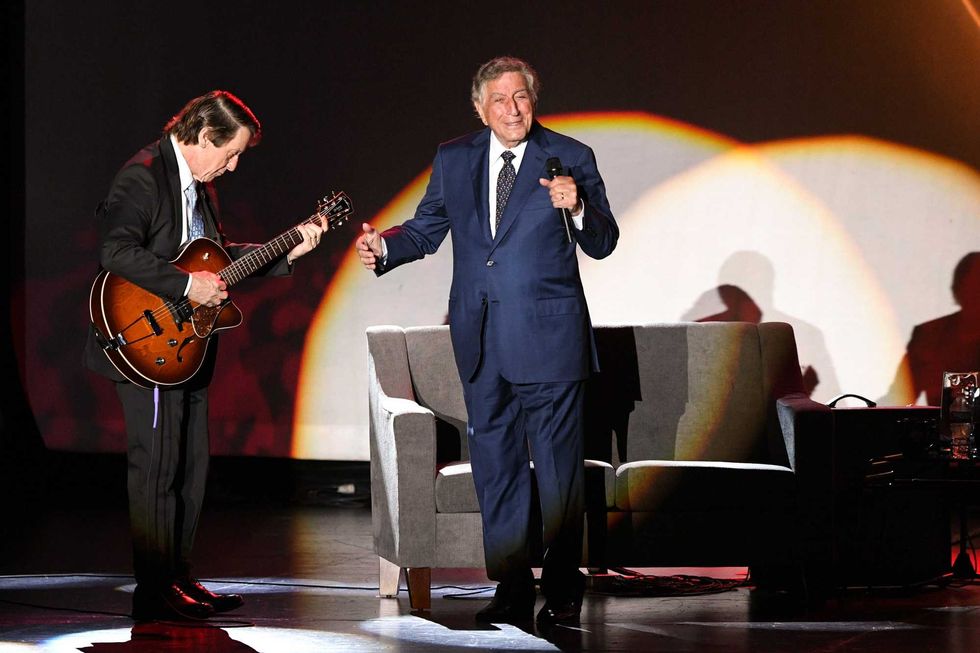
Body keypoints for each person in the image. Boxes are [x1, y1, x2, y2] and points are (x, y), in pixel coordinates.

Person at [356, 56, 618, 626]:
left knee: (559, 472)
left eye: (521, 97)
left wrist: (578, 207)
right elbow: (427, 228)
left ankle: (564, 585)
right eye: (499, 99)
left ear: (534, 100)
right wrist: (386, 248)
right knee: (497, 467)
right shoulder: (455, 157)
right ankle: (512, 584)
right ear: (480, 108)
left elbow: (603, 241)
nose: (512, 109)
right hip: (479, 338)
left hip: (549, 340)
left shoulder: (569, 156)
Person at [83, 90, 326, 621]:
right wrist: (185, 286)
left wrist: (286, 249)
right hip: (144, 342)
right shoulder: (144, 175)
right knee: (156, 467)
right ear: (204, 136)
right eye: (231, 153)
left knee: (190, 467)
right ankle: (154, 589)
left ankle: (178, 576)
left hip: (188, 347)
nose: (233, 166)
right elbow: (116, 251)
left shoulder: (201, 186)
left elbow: (213, 261)